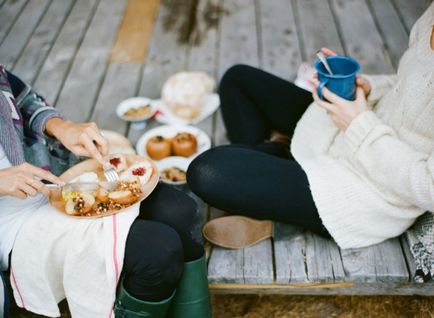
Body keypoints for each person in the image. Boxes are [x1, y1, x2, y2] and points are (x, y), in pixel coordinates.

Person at [187, 3, 434, 256]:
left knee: (205, 171)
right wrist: (366, 87)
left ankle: (278, 200)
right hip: (358, 124)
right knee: (237, 80)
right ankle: (280, 164)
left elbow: (429, 186)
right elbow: (408, 84)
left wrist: (359, 125)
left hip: (372, 189)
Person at [0, 67, 211, 317]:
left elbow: (21, 100)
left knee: (181, 211)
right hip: (11, 222)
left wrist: (59, 126)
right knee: (158, 250)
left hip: (48, 177)